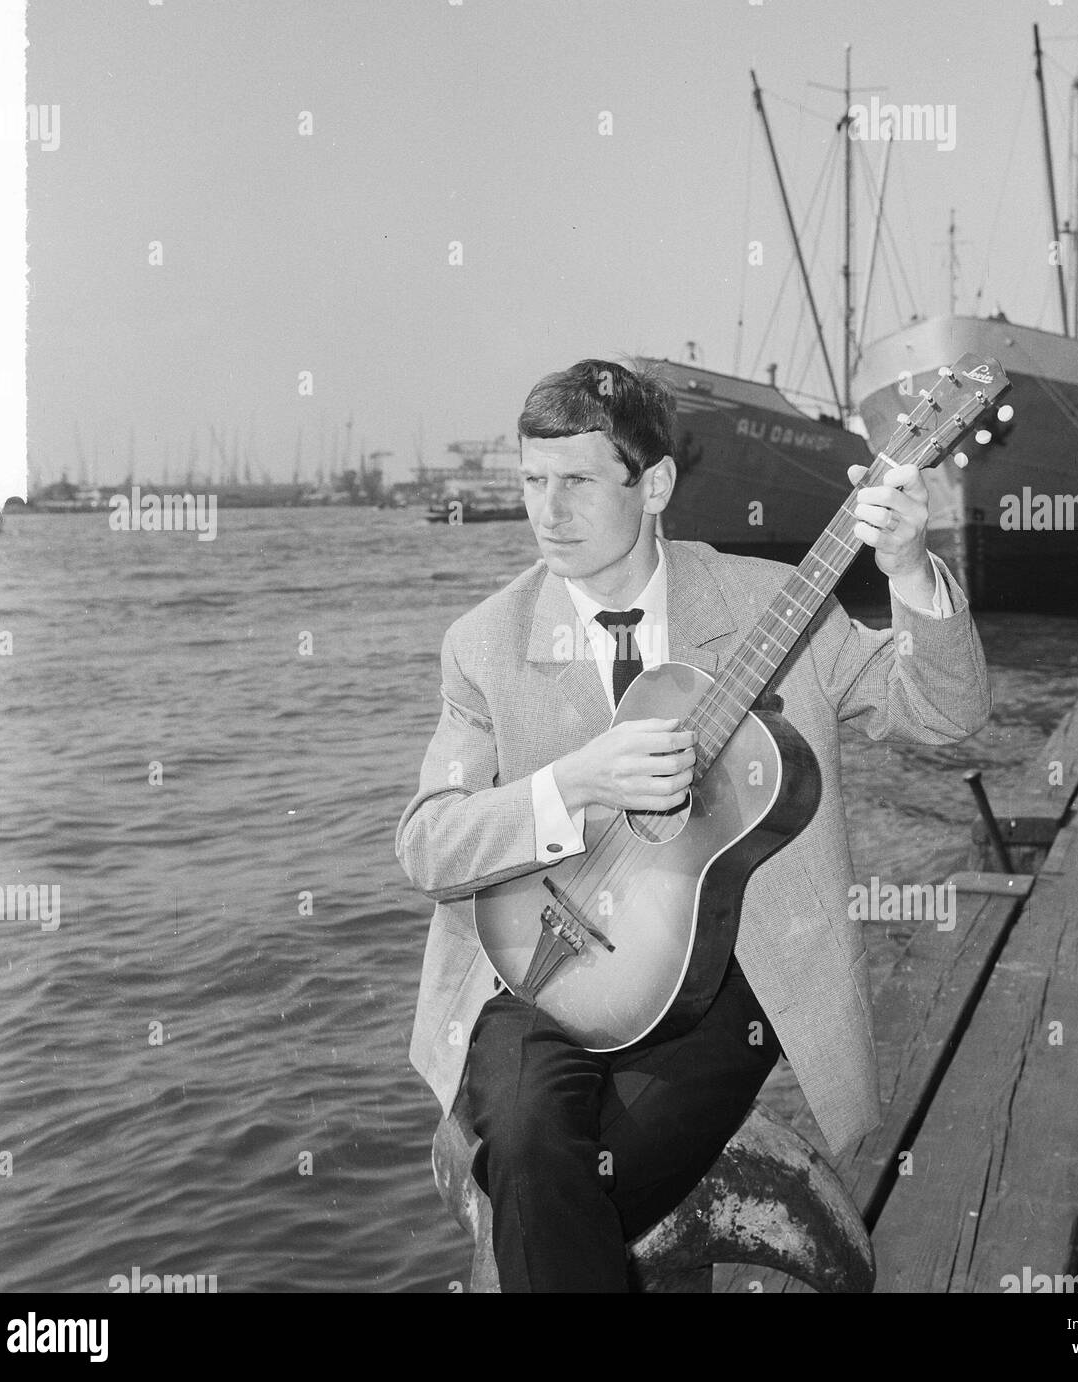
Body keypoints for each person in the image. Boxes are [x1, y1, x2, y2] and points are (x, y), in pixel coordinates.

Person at [395, 359, 991, 1292]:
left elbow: (945, 719)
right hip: (539, 961)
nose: (547, 513)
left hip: (725, 979)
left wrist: (909, 569)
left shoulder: (772, 603)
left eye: (579, 481)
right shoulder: (486, 644)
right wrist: (569, 785)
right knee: (525, 1136)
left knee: (555, 1185)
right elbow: (428, 843)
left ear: (656, 484)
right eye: (532, 482)